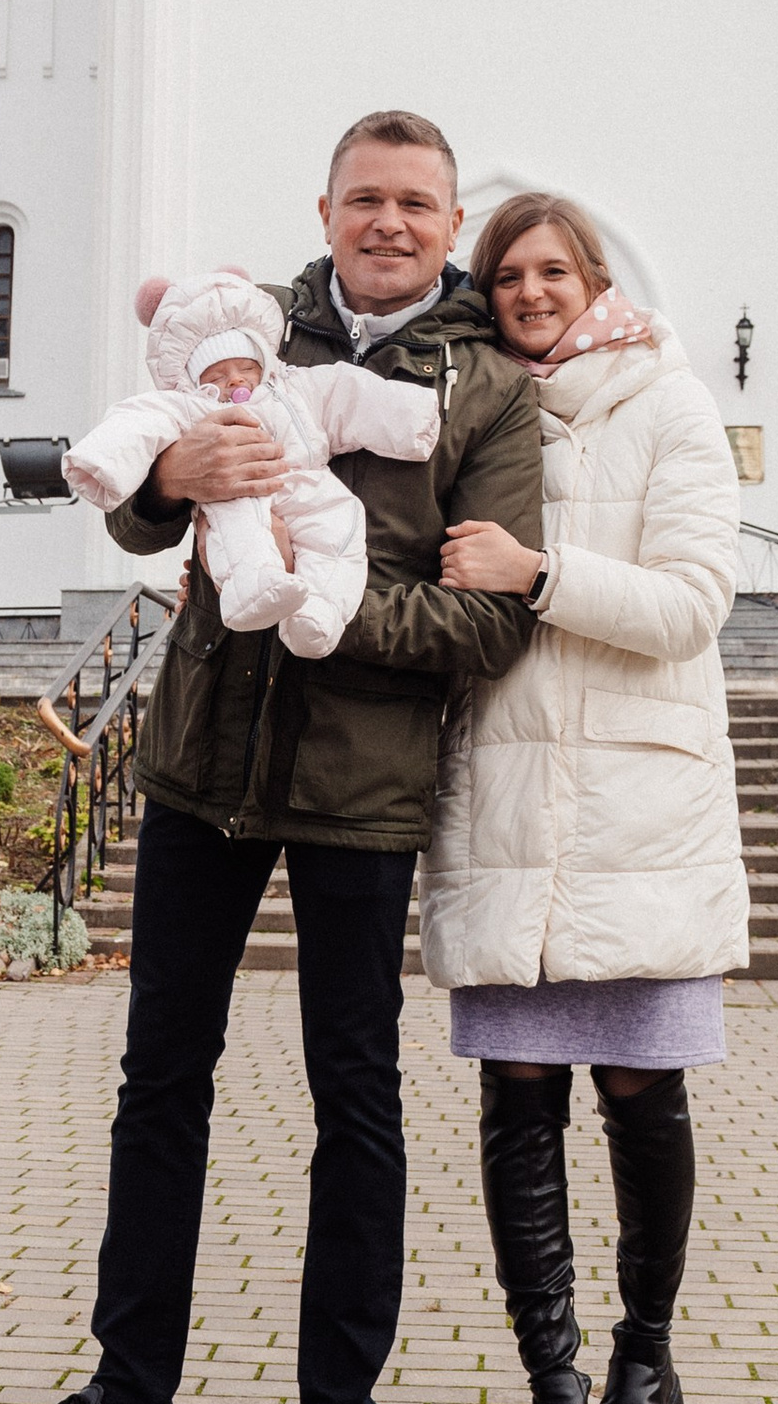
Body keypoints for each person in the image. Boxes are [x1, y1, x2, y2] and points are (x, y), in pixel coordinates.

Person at [64, 111, 544, 1404]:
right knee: (161, 1077)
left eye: (417, 205)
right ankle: (129, 1377)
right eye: (364, 199)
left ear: (453, 225)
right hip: (200, 766)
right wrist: (171, 469)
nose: (388, 223)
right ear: (325, 211)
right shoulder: (250, 327)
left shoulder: (487, 384)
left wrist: (333, 618)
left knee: (357, 1097)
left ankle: (338, 1391)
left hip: (364, 787)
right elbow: (136, 514)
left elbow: (491, 618)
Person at [422, 191, 747, 1404]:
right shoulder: (471, 405)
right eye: (507, 273)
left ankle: (643, 1353)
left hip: (635, 811)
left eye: (552, 270)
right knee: (516, 1097)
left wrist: (539, 571)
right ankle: (549, 1369)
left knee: (639, 1088)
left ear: (594, 279)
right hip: (506, 795)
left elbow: (690, 604)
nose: (528, 291)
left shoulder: (668, 403)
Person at [62, 268, 440, 657]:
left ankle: (317, 614)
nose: (235, 381)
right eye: (219, 374)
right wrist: (101, 463)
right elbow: (138, 421)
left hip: (306, 483)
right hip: (235, 490)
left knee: (341, 526)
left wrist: (416, 418)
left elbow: (348, 395)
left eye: (245, 369)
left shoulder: (292, 387)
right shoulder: (193, 406)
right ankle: (251, 591)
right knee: (239, 528)